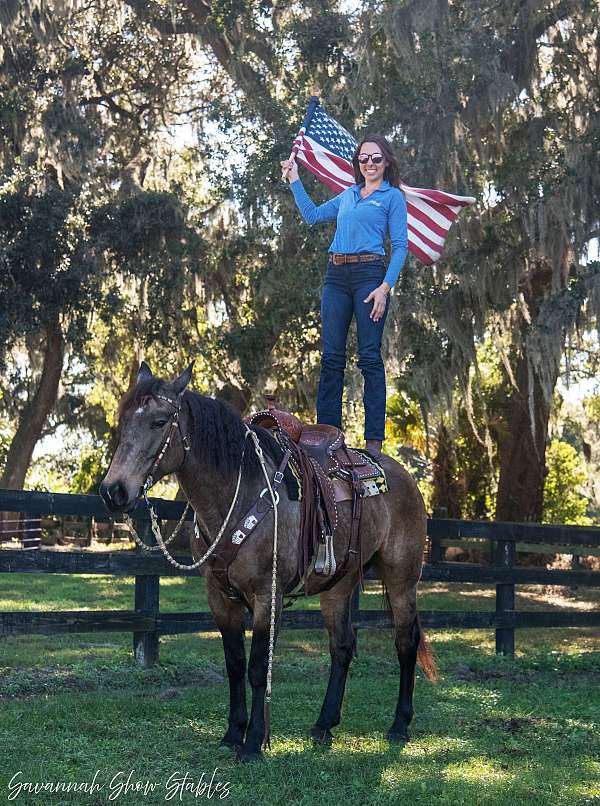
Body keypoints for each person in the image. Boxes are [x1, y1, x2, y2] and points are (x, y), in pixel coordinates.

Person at [280, 134, 408, 459]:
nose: (370, 164)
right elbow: (311, 215)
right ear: (358, 163)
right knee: (331, 359)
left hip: (370, 277)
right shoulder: (348, 195)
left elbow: (401, 246)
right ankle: (327, 437)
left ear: (386, 162)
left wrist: (385, 287)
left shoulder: (392, 197)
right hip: (336, 276)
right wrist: (294, 179)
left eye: (376, 158)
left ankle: (374, 444)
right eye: (364, 158)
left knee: (369, 357)